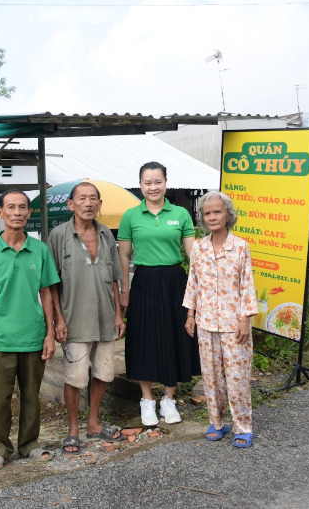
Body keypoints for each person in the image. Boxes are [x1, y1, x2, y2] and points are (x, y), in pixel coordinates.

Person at [0, 189, 61, 471]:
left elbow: (46, 292)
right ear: (0, 213)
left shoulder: (40, 249)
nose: (18, 212)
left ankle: (29, 444)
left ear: (29, 213)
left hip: (33, 336)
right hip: (0, 338)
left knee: (32, 397)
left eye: (23, 207)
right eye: (11, 207)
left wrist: (50, 333)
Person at [118, 161, 200, 426]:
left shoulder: (180, 214)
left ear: (166, 182)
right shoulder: (130, 215)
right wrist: (125, 291)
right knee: (143, 338)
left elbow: (194, 256)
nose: (153, 187)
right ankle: (147, 400)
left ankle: (168, 399)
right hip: (143, 282)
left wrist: (200, 289)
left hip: (175, 281)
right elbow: (124, 255)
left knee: (174, 337)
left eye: (157, 181)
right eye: (147, 182)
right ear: (140, 184)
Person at [48, 182, 125, 454]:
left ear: (100, 204)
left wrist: (118, 314)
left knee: (103, 373)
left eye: (93, 199)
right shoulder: (58, 235)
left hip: (105, 319)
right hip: (74, 320)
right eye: (82, 199)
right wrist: (58, 320)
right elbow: (51, 282)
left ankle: (93, 424)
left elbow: (115, 278)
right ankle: (72, 431)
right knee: (75, 377)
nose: (88, 203)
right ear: (71, 204)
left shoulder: (106, 235)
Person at [183, 191, 257, 448]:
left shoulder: (240, 247)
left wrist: (246, 319)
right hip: (205, 322)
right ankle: (217, 422)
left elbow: (247, 285)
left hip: (234, 324)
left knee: (237, 377)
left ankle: (243, 426)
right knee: (211, 377)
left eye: (217, 211)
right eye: (207, 213)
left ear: (228, 215)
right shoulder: (200, 248)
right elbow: (193, 282)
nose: (212, 217)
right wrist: (190, 315)